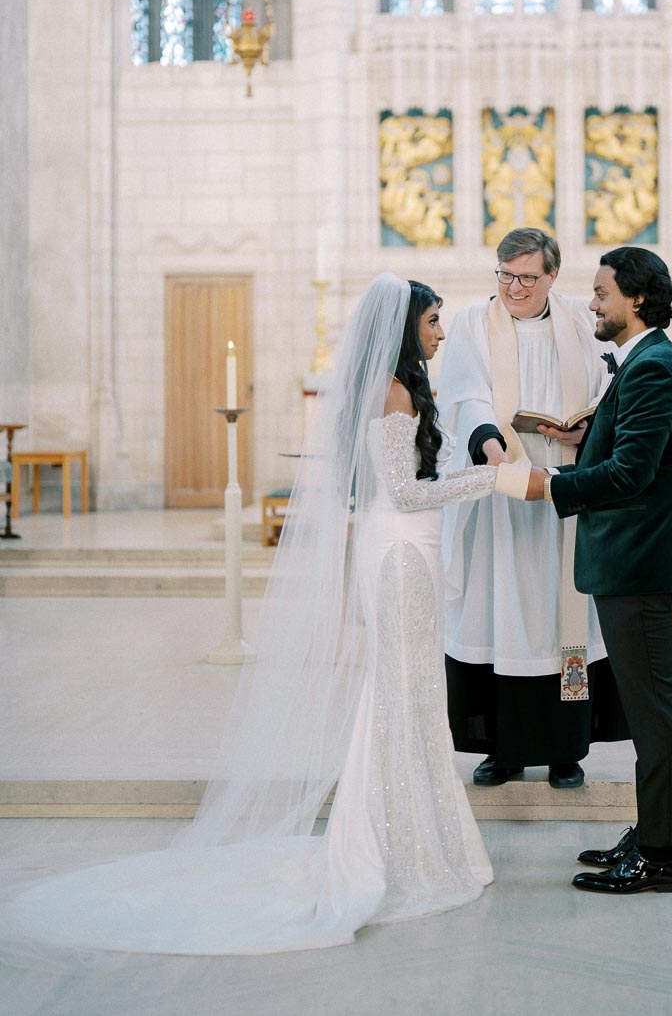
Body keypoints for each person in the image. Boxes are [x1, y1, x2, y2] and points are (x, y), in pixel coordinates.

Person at [0, 275, 529, 960]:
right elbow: (403, 491)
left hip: (404, 553)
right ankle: (396, 848)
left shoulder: (401, 390)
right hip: (399, 555)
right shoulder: (395, 392)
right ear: (404, 328)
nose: (439, 331)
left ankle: (418, 841)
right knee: (401, 701)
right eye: (432, 321)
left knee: (413, 701)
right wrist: (495, 479)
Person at [523, 246, 672, 894]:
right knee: (649, 709)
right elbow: (626, 449)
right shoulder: (642, 363)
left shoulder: (655, 368)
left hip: (639, 562)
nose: (591, 304)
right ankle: (651, 832)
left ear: (638, 299)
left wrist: (554, 485)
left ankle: (661, 855)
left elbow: (632, 474)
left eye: (601, 293)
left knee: (654, 713)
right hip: (628, 560)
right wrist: (586, 438)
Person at [439, 228, 626, 792]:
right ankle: (503, 749)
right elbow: (463, 393)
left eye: (525, 277)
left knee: (562, 619)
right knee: (502, 615)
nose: (512, 287)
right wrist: (493, 450)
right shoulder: (476, 321)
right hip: (503, 493)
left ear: (551, 277)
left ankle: (565, 748)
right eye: (504, 274)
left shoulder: (577, 322)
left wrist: (587, 423)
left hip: (565, 493)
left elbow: (606, 386)